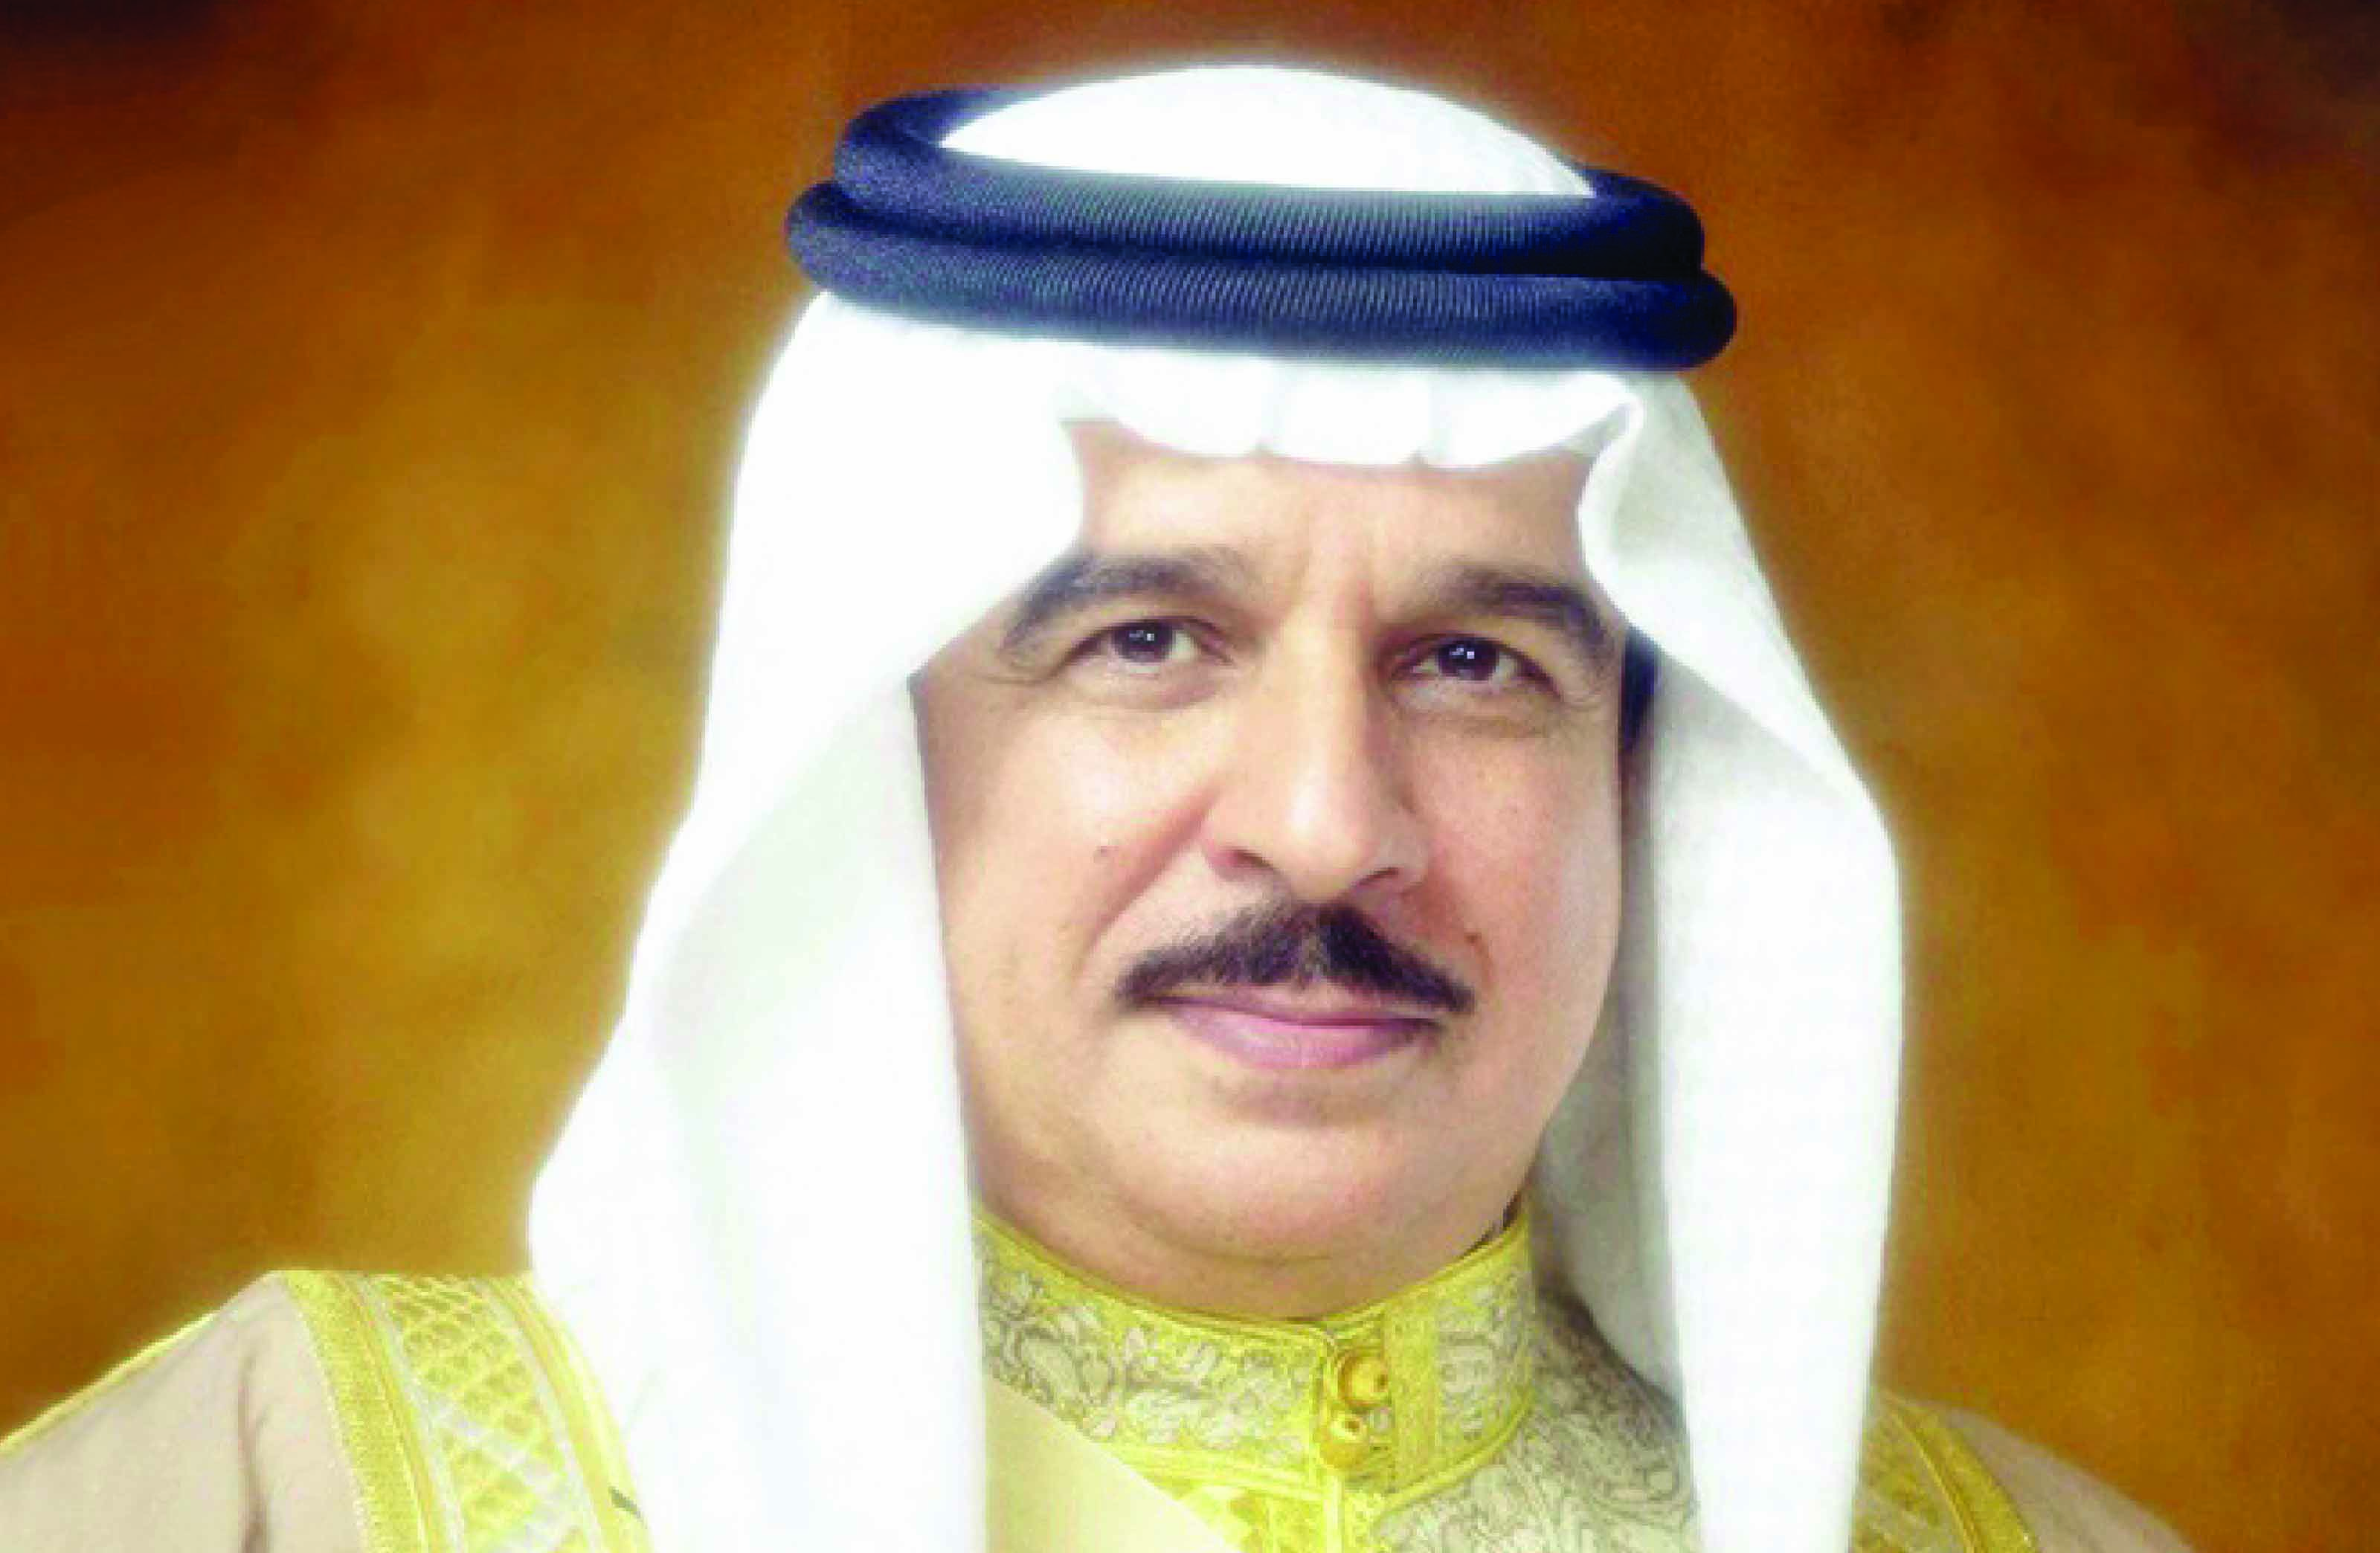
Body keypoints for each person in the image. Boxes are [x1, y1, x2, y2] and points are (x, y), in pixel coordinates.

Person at [0, 64, 2190, 1553]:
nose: (1325, 827)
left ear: (1643, 787)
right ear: (868, 756)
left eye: (1474, 664)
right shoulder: (294, 1495)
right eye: (1150, 640)